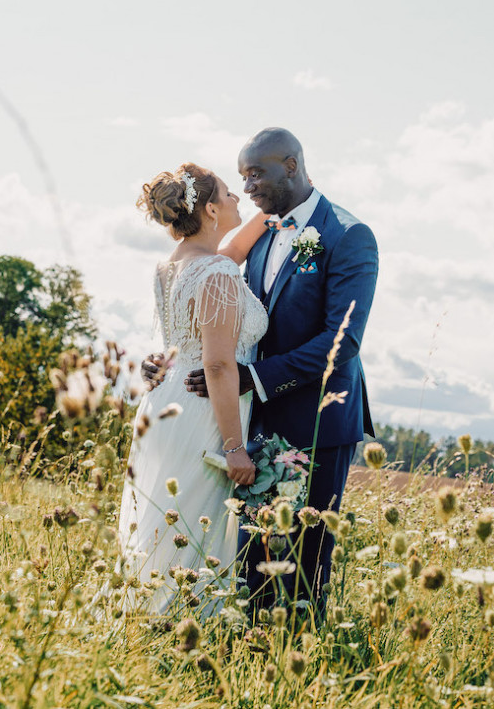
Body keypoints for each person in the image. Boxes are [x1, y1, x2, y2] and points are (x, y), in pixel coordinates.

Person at [145, 128, 379, 614]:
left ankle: (300, 666)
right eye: (240, 178)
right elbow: (213, 314)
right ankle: (245, 657)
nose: (247, 187)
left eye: (256, 174)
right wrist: (165, 359)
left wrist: (259, 379)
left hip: (315, 419)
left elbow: (345, 340)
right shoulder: (253, 238)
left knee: (303, 567)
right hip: (245, 421)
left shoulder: (348, 235)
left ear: (291, 166)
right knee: (248, 563)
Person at [117, 163, 269, 616]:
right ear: (209, 209)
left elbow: (231, 251)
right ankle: (184, 627)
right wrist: (234, 448)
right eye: (228, 193)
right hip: (206, 409)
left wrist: (274, 209)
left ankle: (145, 620)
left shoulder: (173, 264)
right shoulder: (218, 272)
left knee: (167, 517)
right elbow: (220, 364)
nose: (238, 198)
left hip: (167, 402)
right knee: (196, 524)